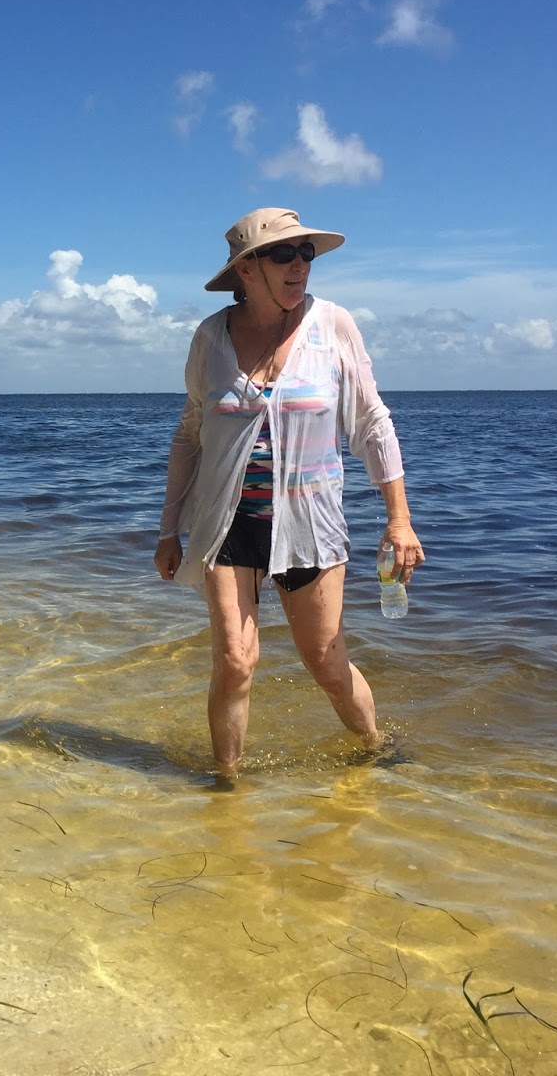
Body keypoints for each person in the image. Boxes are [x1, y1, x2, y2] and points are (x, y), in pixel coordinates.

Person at [154, 207, 424, 780]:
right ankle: (225, 786)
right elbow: (189, 434)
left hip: (310, 526)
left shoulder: (333, 325)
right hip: (228, 527)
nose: (300, 263)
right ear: (247, 269)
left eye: (306, 252)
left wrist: (398, 519)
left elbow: (372, 423)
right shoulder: (211, 337)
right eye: (284, 253)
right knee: (234, 661)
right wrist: (167, 529)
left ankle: (376, 750)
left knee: (326, 664)